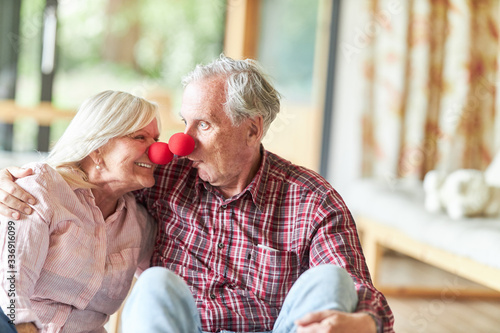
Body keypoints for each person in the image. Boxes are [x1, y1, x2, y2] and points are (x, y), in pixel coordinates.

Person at [0, 55, 394, 333]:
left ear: (253, 130)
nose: (180, 144)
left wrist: (366, 323)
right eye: (184, 123)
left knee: (332, 280)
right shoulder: (162, 178)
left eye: (202, 125)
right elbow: (81, 178)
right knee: (156, 283)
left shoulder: (311, 199)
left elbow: (360, 290)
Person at [0, 90, 159, 332]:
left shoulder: (139, 224)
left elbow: (168, 287)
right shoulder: (41, 188)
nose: (158, 151)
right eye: (140, 137)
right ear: (98, 147)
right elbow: (9, 290)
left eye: (157, 140)